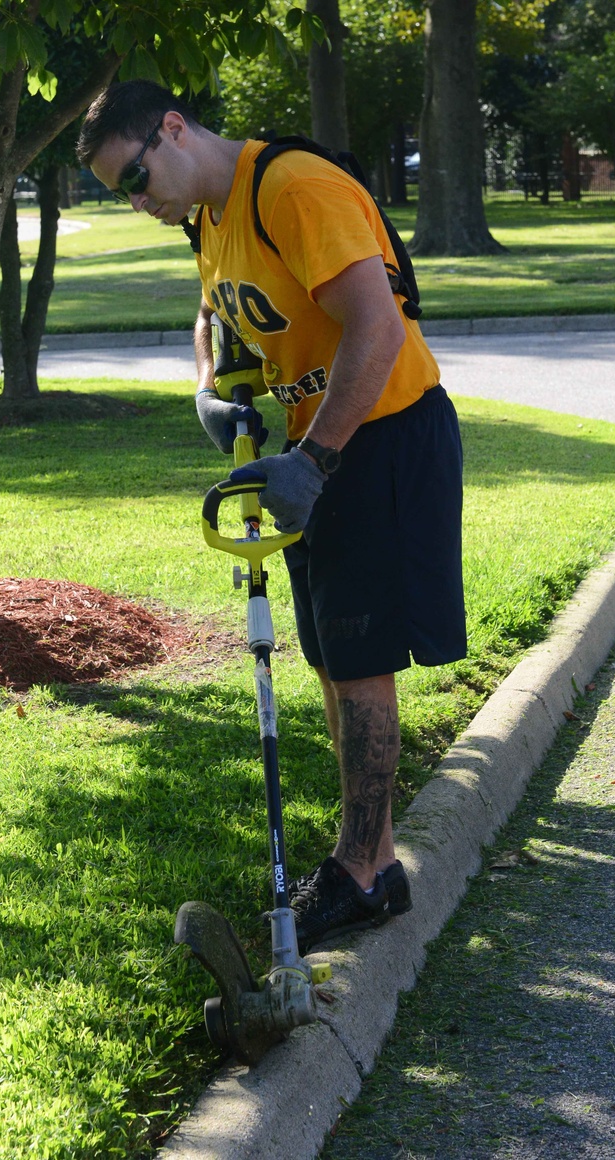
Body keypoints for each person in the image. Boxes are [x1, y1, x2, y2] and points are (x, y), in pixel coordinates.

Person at [77, 80, 466, 951]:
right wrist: (208, 387)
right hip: (314, 452)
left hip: (380, 437)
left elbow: (377, 332)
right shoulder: (208, 214)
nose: (138, 202)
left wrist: (316, 461)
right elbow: (212, 310)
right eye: (121, 193)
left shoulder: (291, 188)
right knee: (332, 656)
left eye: (137, 177)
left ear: (173, 129)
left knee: (362, 661)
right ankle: (376, 861)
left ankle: (361, 873)